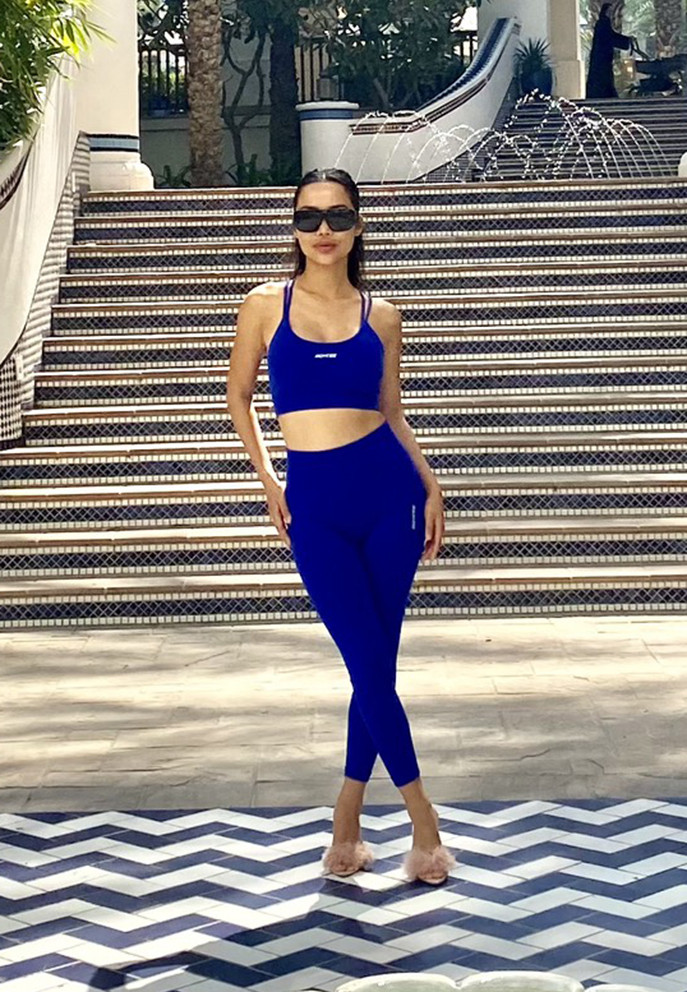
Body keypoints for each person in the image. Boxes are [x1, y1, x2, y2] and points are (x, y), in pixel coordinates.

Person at [226, 166, 456, 885]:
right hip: (315, 508)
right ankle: (422, 820)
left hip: (390, 497)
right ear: (293, 227)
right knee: (366, 660)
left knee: (373, 666)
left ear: (358, 226)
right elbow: (238, 396)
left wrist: (429, 482)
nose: (322, 230)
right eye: (308, 217)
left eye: (337, 216)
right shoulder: (264, 305)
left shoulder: (382, 315)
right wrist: (268, 480)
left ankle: (348, 825)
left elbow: (392, 411)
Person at [586, 2, 638, 98]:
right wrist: (626, 40)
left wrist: (626, 40)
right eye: (609, 11)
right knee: (602, 77)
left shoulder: (604, 23)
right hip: (601, 57)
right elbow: (610, 37)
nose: (610, 13)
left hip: (603, 57)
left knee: (604, 76)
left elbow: (611, 36)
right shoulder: (603, 23)